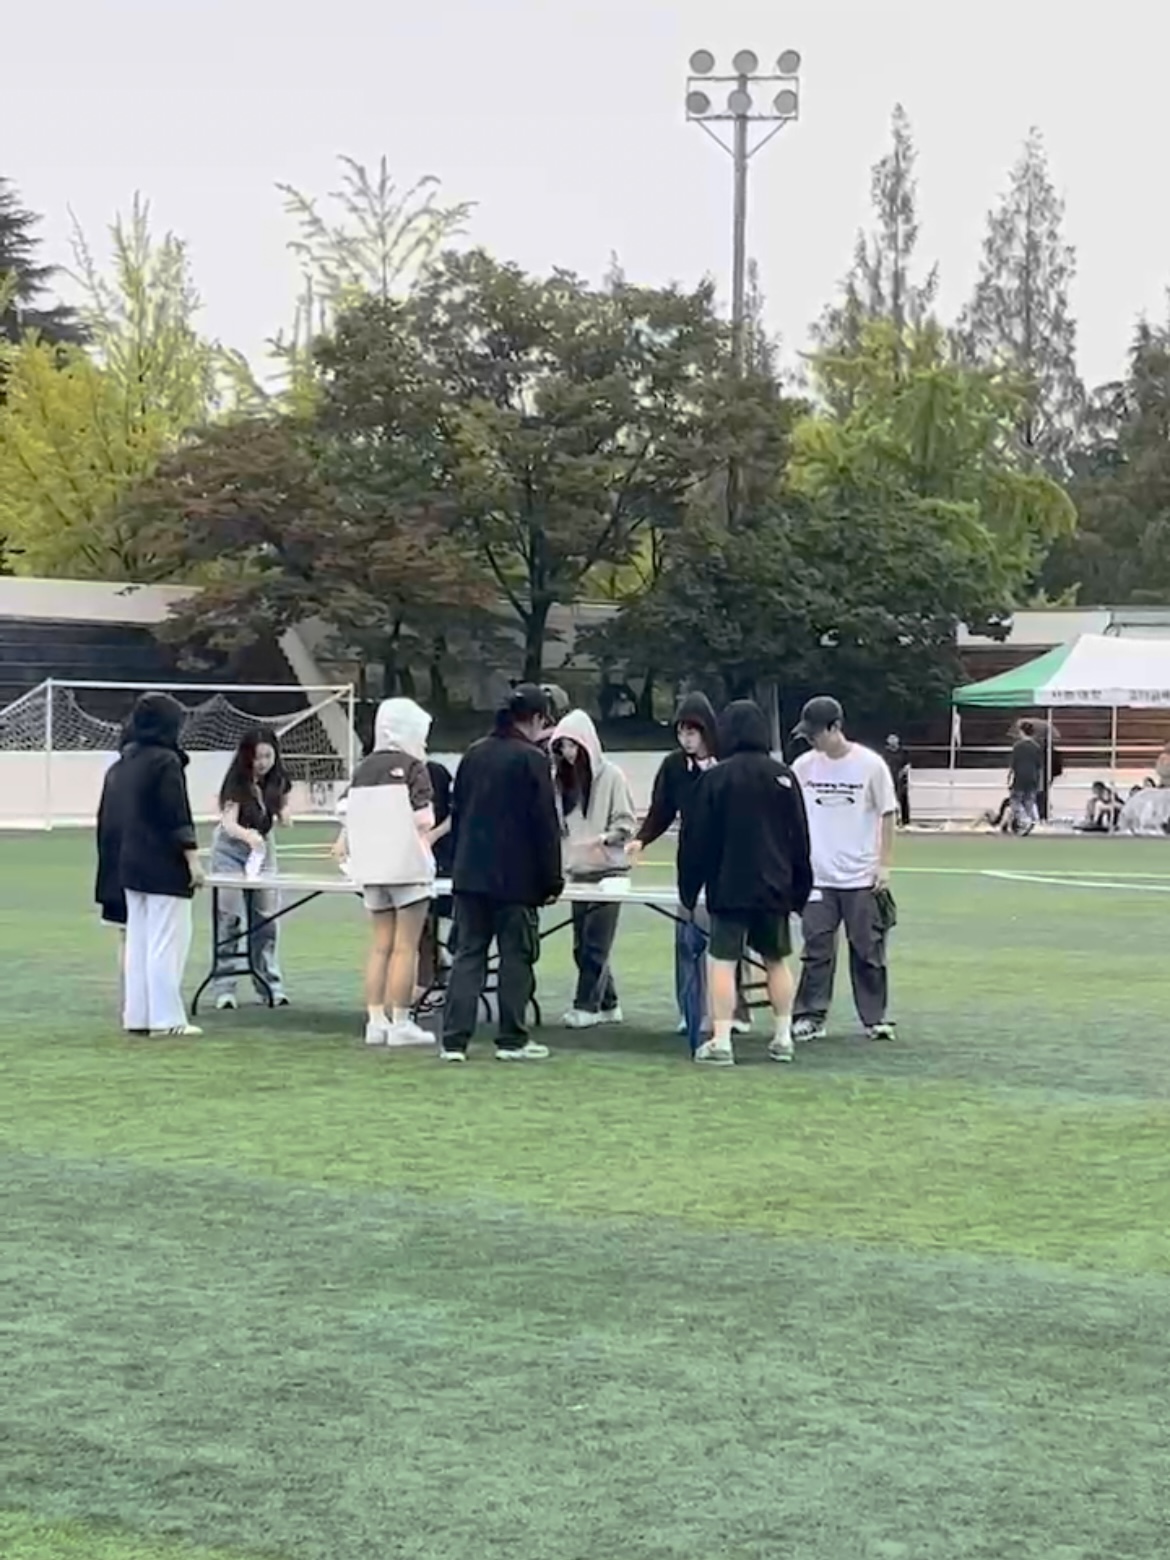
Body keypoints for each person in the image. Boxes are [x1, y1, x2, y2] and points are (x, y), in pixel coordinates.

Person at [678, 700, 812, 1068]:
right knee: (776, 959)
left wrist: (689, 886)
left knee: (722, 960)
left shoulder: (715, 779)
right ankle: (783, 1036)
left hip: (729, 885)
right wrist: (800, 887)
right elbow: (799, 838)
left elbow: (696, 840)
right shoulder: (783, 776)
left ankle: (721, 1040)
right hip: (774, 886)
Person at [440, 684, 563, 1063]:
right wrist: (552, 879)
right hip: (516, 879)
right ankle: (512, 1039)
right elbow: (545, 825)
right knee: (515, 958)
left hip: (470, 874)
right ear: (537, 718)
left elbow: (457, 814)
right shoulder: (532, 760)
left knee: (468, 956)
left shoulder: (473, 754)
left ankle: (454, 1041)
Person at [628, 691, 755, 1040]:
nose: (686, 739)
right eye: (681, 732)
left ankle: (734, 1009)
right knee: (687, 938)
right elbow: (662, 809)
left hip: (728, 862)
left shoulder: (728, 762)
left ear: (706, 731)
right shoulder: (673, 767)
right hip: (690, 862)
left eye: (692, 732)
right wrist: (642, 838)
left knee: (727, 939)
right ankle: (691, 1009)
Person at [790, 696, 898, 1044]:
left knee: (868, 949)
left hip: (861, 875)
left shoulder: (870, 765)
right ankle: (810, 1016)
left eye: (816, 733)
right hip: (817, 875)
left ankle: (874, 1017)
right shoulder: (803, 767)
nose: (811, 740)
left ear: (835, 727)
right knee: (816, 949)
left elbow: (887, 814)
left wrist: (884, 864)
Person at [334, 698, 436, 1048]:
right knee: (406, 947)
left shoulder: (362, 769)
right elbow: (424, 819)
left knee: (380, 946)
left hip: (371, 867)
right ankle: (401, 1022)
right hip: (408, 865)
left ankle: (376, 1021)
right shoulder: (414, 766)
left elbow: (343, 811)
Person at [116, 692, 204, 1038]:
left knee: (139, 942)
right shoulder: (166, 762)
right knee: (167, 941)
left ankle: (137, 1014)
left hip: (131, 860)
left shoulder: (127, 759)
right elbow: (176, 814)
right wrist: (192, 859)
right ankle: (167, 1019)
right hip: (163, 863)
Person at [549, 708, 638, 1028]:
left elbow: (627, 823)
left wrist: (604, 838)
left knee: (595, 945)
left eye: (573, 745)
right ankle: (609, 1003)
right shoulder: (561, 782)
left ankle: (586, 1006)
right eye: (562, 747)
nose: (569, 753)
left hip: (610, 873)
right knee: (581, 946)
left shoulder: (612, 776)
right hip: (578, 873)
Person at [209, 728, 292, 1011]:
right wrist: (247, 836)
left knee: (266, 918)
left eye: (268, 756)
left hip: (262, 850)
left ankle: (269, 985)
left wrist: (284, 815)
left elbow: (280, 806)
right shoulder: (236, 783)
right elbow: (229, 823)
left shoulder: (278, 781)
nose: (263, 762)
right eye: (257, 757)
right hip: (230, 851)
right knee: (230, 918)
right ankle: (225, 988)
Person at [94, 721, 133, 1007]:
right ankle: (140, 1001)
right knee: (141, 937)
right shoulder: (148, 771)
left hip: (113, 868)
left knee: (126, 935)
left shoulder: (115, 773)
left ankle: (130, 1000)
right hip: (138, 870)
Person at [1008, 720, 1044, 835]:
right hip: (1032, 777)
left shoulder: (1017, 746)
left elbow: (1013, 765)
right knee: (1029, 801)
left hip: (1020, 777)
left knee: (1015, 801)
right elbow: (1039, 766)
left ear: (1022, 731)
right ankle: (1029, 821)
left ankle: (1024, 820)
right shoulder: (1036, 747)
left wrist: (1009, 778)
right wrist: (1040, 782)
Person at [884, 734, 912, 828]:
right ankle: (893, 820)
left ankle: (905, 821)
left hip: (901, 780)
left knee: (903, 799)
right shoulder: (886, 753)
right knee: (891, 800)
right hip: (890, 779)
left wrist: (903, 772)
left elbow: (908, 765)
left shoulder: (903, 752)